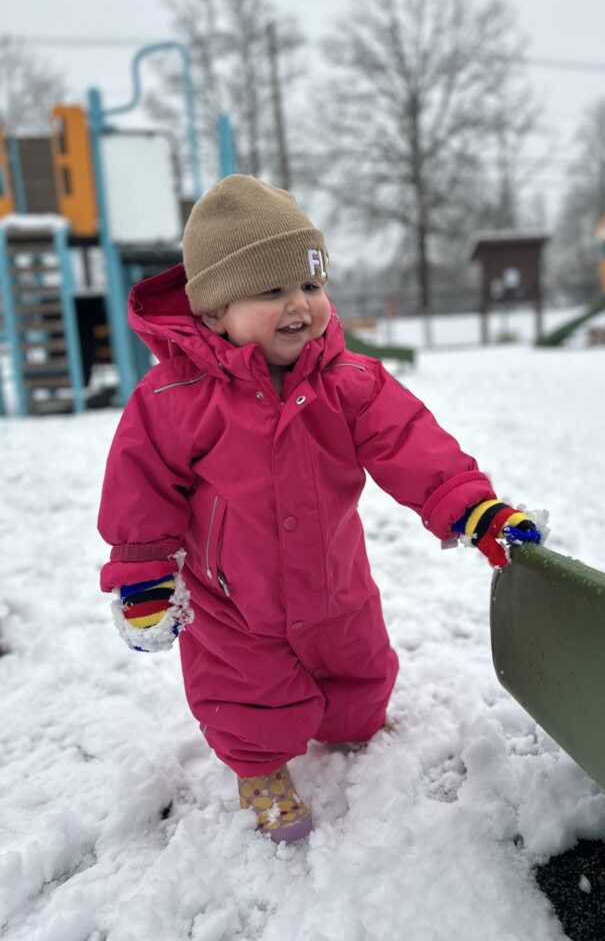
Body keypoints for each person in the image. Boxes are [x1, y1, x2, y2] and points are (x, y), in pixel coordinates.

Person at [98, 175, 541, 844]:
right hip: (233, 598)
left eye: (310, 285)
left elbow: (412, 445)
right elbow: (141, 487)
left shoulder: (351, 381)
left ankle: (353, 724)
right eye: (272, 291)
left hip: (334, 580)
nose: (299, 305)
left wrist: (471, 509)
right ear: (216, 311)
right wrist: (142, 576)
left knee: (359, 665)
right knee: (249, 693)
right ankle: (258, 767)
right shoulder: (175, 397)